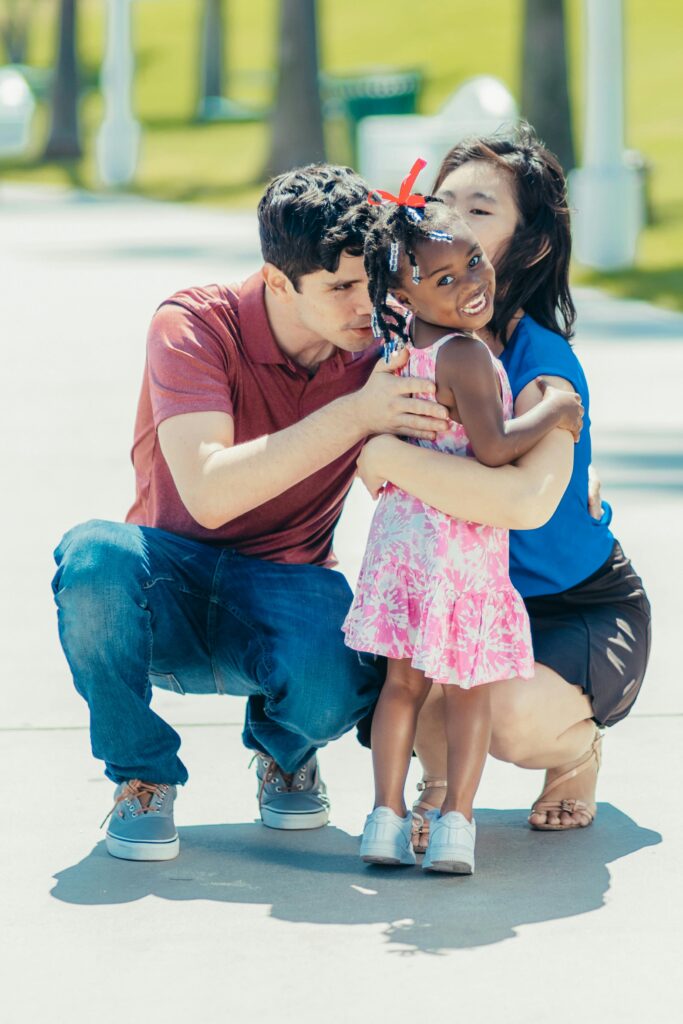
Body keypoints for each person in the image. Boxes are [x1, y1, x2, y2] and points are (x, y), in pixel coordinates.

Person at [50, 162, 582, 865]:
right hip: (168, 583)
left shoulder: (386, 345)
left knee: (355, 662)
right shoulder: (194, 326)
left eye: (371, 285)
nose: (365, 307)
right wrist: (355, 416)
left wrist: (573, 461)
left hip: (289, 585)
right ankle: (142, 777)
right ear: (277, 281)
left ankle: (285, 752)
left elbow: (472, 423)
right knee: (93, 557)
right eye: (338, 289)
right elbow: (208, 493)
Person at [353, 128, 651, 847]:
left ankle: (574, 753)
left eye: (479, 210)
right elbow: (373, 481)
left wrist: (386, 450)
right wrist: (381, 452)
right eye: (441, 203)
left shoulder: (541, 361)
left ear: (527, 244)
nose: (452, 222)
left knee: (504, 709)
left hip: (569, 603)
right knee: (407, 674)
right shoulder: (406, 349)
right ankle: (431, 790)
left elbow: (519, 500)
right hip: (455, 583)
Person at [342, 161, 583, 873]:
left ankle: (383, 820)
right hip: (459, 544)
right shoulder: (467, 356)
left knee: (402, 687)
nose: (471, 282)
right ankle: (455, 824)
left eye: (473, 261)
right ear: (403, 292)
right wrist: (553, 412)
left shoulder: (400, 351)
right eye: (444, 279)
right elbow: (492, 448)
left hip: (401, 542)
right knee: (468, 688)